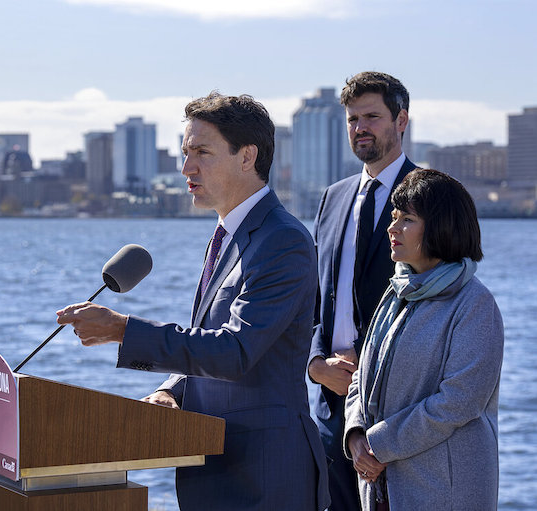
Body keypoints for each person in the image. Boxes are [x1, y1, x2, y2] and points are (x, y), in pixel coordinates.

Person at [57, 92, 330, 511]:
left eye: (202, 152)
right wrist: (174, 391)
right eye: (186, 153)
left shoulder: (284, 241)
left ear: (247, 157)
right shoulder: (226, 236)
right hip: (213, 470)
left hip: (265, 478)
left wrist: (121, 330)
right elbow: (208, 342)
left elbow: (236, 350)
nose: (187, 168)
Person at [343, 168, 504, 510]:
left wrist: (378, 444)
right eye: (394, 216)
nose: (392, 228)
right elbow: (363, 375)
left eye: (407, 219)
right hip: (381, 490)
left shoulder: (474, 304)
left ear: (440, 227)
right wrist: (356, 435)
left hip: (443, 494)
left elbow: (458, 402)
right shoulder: (396, 293)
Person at [307, 71, 417, 510]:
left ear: (401, 120)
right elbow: (314, 299)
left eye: (372, 116)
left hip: (394, 406)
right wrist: (314, 363)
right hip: (329, 403)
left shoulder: (430, 196)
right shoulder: (333, 197)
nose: (360, 128)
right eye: (352, 119)